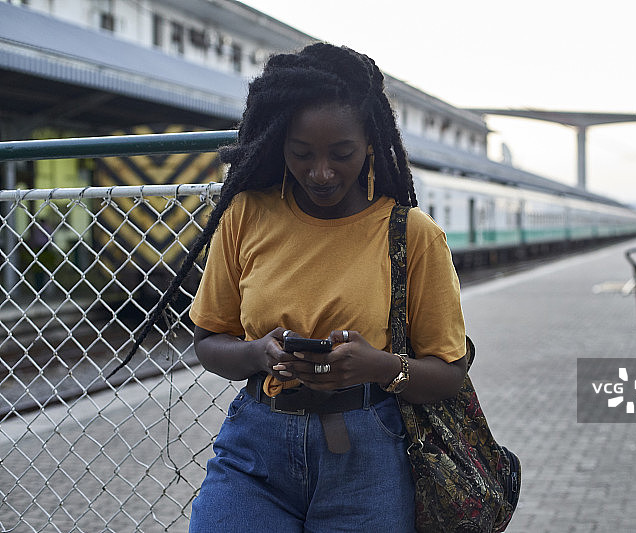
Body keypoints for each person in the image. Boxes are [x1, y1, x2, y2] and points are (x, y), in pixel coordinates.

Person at [126, 43, 468, 531]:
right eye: (302, 153)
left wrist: (376, 365)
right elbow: (208, 342)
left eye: (342, 154)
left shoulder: (412, 234)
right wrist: (258, 353)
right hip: (255, 451)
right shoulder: (245, 214)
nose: (321, 172)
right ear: (279, 142)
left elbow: (448, 374)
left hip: (368, 456)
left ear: (371, 143)